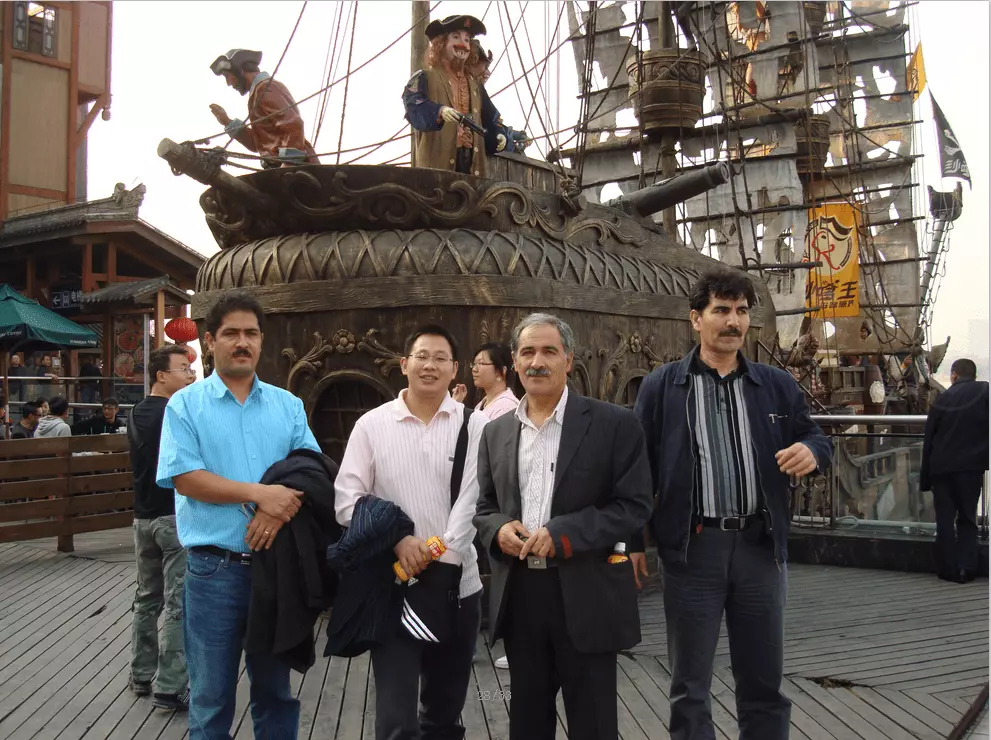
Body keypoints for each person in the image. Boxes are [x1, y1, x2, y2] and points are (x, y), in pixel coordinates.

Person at [632, 268, 832, 740]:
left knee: (764, 682)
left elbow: (814, 435)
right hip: (692, 549)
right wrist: (632, 541)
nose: (734, 321)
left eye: (742, 311)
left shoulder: (775, 385)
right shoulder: (662, 387)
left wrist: (813, 452)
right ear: (695, 320)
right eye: (721, 310)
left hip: (761, 549)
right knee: (690, 685)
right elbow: (637, 470)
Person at [474, 313, 653, 740]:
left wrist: (563, 533)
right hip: (521, 597)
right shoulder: (495, 432)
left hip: (587, 590)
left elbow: (634, 506)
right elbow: (484, 507)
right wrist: (497, 529)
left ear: (568, 360)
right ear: (514, 363)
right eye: (527, 352)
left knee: (592, 724)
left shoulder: (615, 425)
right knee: (528, 724)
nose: (538, 361)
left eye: (549, 351)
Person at [156, 290, 321, 739]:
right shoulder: (185, 406)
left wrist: (275, 513)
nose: (241, 342)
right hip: (213, 571)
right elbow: (186, 478)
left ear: (262, 341)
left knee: (275, 692)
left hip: (274, 567)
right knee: (211, 698)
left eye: (251, 333)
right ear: (211, 341)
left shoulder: (287, 406)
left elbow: (311, 470)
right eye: (231, 333)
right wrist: (259, 495)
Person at [334, 324, 488, 740]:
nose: (430, 365)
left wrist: (436, 551)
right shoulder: (372, 425)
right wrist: (400, 541)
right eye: (422, 356)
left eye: (441, 358)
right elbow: (347, 500)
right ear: (404, 364)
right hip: (394, 587)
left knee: (443, 713)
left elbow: (473, 501)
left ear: (455, 369)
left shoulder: (475, 425)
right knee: (396, 718)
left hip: (459, 588)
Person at [128, 345, 196, 711]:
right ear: (161, 375)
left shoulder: (136, 412)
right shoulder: (176, 412)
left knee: (145, 598)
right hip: (173, 517)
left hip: (142, 519)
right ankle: (169, 685)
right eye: (183, 369)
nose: (190, 375)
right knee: (176, 603)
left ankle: (140, 673)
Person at [403, 15, 514, 176]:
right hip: (436, 172)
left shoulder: (475, 86)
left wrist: (500, 135)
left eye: (467, 40)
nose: (463, 44)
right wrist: (439, 111)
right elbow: (413, 106)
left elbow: (491, 118)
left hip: (473, 168)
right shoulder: (424, 78)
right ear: (441, 43)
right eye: (456, 37)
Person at [921, 358, 989, 584]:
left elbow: (929, 440)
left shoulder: (941, 399)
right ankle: (965, 569)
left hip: (941, 469)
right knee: (968, 518)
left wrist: (925, 479)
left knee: (944, 519)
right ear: (974, 374)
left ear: (954, 375)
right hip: (970, 468)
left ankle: (947, 569)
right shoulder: (985, 392)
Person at [209, 49, 318, 167]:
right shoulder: (257, 93)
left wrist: (288, 164)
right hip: (278, 167)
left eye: (228, 76)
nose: (228, 82)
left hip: (297, 169)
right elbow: (258, 144)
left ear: (239, 70)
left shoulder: (265, 88)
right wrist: (227, 122)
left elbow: (293, 125)